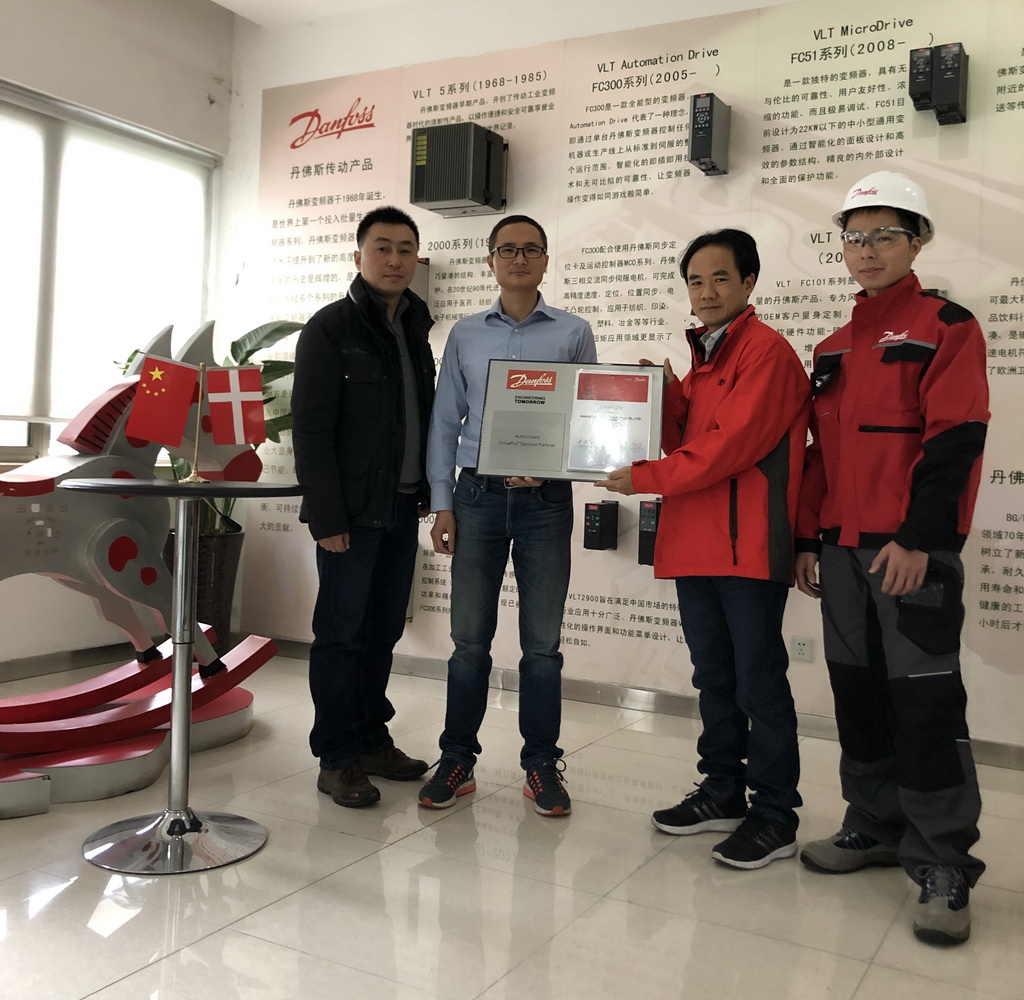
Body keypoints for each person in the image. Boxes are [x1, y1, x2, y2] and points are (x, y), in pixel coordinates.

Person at [794, 171, 989, 946]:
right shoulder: (833, 347)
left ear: (919, 241)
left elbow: (954, 441)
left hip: (909, 551)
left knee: (927, 702)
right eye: (854, 236)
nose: (867, 249)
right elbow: (819, 456)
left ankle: (944, 861)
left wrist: (921, 540)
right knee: (858, 693)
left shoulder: (946, 326)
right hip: (842, 552)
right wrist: (808, 539)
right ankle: (874, 824)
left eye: (884, 235)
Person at [596, 229, 810, 869]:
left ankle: (775, 814)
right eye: (695, 280)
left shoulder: (766, 354)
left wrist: (645, 476)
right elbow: (685, 438)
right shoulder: (708, 357)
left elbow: (727, 448)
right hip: (697, 543)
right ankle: (722, 790)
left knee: (758, 682)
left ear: (749, 282)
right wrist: (665, 395)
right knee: (714, 677)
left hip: (746, 546)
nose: (707, 291)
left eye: (720, 278)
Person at [418, 214, 597, 816]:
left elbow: (586, 418)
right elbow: (446, 422)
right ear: (490, 259)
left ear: (546, 259)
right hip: (478, 497)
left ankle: (541, 763)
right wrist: (442, 503)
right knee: (469, 641)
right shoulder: (466, 335)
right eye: (508, 249)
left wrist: (553, 468)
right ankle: (457, 758)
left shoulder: (574, 332)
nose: (519, 259)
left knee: (542, 645)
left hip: (546, 502)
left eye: (531, 249)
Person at [292, 205, 435, 808]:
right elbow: (311, 430)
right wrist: (327, 518)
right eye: (383, 247)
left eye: (405, 249)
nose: (394, 259)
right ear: (359, 256)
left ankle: (373, 739)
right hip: (349, 518)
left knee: (381, 633)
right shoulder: (330, 328)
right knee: (340, 636)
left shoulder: (416, 328)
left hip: (400, 510)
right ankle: (337, 756)